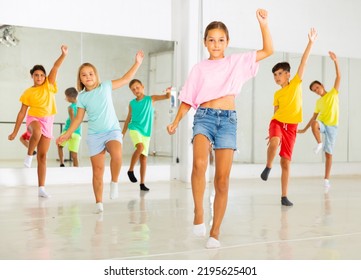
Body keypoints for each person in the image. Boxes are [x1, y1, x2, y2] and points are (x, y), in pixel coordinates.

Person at [167, 9, 273, 249]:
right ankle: (198, 212)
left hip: (228, 120)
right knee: (199, 165)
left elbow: (268, 51)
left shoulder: (237, 62)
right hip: (203, 117)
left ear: (228, 42)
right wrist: (176, 121)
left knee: (222, 181)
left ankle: (215, 232)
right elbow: (187, 98)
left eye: (221, 40)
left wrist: (263, 25)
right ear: (205, 42)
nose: (216, 44)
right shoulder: (199, 69)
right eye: (211, 40)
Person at [56, 50, 144, 214]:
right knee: (97, 171)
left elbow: (125, 79)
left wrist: (137, 63)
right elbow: (78, 119)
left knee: (117, 155)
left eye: (90, 73)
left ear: (96, 75)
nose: (88, 76)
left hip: (112, 130)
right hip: (95, 135)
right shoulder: (82, 97)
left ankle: (114, 182)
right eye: (84, 75)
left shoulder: (106, 86)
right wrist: (67, 134)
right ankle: (99, 203)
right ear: (80, 79)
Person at [260, 28, 318, 206]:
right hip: (277, 122)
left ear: (287, 74)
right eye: (274, 75)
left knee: (286, 162)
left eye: (279, 74)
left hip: (291, 127)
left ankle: (284, 196)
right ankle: (268, 166)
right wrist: (271, 132)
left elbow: (304, 62)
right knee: (275, 142)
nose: (276, 77)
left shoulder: (296, 84)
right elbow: (275, 112)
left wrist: (310, 42)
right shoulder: (276, 94)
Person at [8, 45, 68, 198]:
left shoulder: (49, 85)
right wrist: (15, 132)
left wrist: (63, 55)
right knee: (37, 132)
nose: (39, 77)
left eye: (42, 75)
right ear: (32, 76)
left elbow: (55, 67)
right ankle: (29, 154)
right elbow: (22, 112)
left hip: (48, 121)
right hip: (33, 120)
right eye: (36, 75)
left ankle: (41, 187)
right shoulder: (28, 92)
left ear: (45, 77)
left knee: (42, 156)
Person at [297, 51, 341, 192]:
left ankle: (326, 179)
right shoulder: (318, 102)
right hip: (322, 124)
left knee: (329, 154)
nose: (316, 91)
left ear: (321, 85)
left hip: (333, 127)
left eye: (317, 88)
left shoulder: (333, 93)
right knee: (315, 124)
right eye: (314, 90)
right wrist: (304, 129)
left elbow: (338, 76)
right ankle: (319, 143)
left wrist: (335, 61)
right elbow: (313, 118)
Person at [122, 79, 171, 191]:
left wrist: (168, 92)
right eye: (133, 89)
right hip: (134, 128)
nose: (136, 90)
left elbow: (166, 97)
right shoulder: (132, 103)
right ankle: (130, 170)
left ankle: (142, 183)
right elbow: (128, 118)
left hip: (146, 132)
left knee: (144, 158)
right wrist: (123, 133)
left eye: (137, 87)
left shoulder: (151, 99)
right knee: (140, 147)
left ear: (142, 87)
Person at [57, 87, 82, 167]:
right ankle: (77, 171)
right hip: (78, 133)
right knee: (74, 155)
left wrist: (69, 133)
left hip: (69, 130)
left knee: (59, 145)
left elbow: (73, 121)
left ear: (70, 97)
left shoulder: (70, 108)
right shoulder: (81, 106)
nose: (65, 98)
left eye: (66, 96)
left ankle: (62, 163)